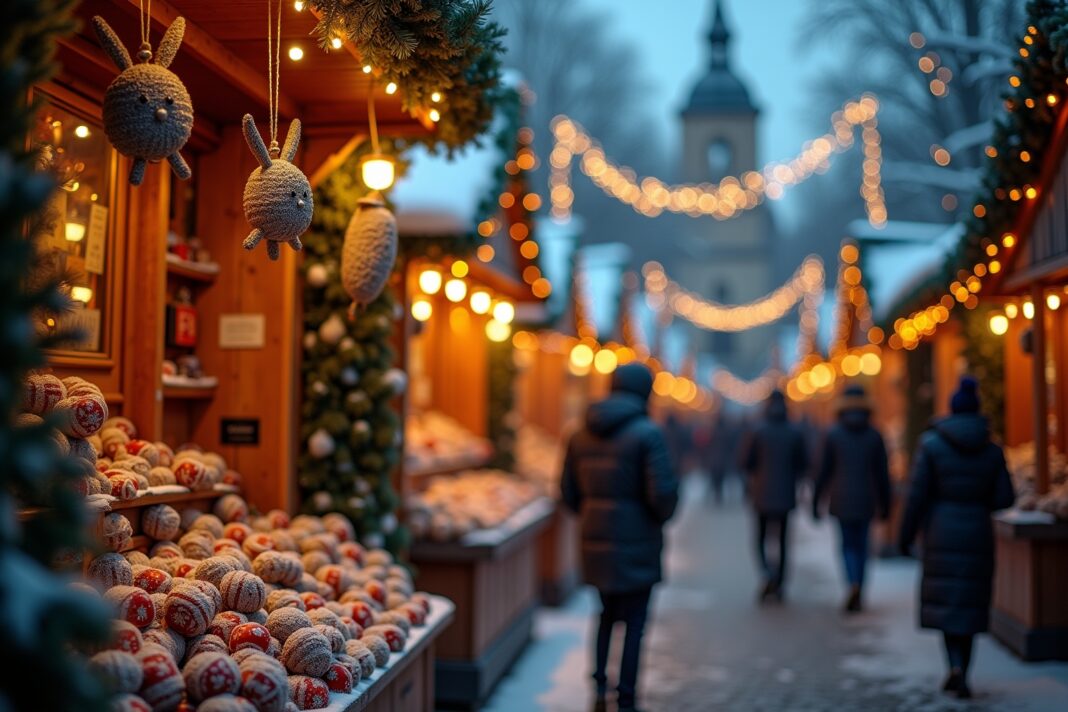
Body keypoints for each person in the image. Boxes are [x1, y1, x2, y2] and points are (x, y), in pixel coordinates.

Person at [561, 363, 680, 712]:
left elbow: (567, 493)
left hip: (595, 543)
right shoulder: (648, 434)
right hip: (638, 543)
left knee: (605, 614)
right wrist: (661, 513)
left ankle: (598, 687)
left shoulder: (579, 433)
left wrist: (594, 515)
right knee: (634, 624)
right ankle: (625, 699)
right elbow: (663, 495)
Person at [898, 376, 1015, 699]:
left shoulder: (932, 446)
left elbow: (917, 495)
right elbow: (1005, 497)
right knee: (970, 603)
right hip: (977, 531)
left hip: (941, 530)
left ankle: (953, 665)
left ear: (951, 409)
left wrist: (905, 536)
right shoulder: (992, 450)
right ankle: (965, 668)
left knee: (948, 602)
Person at [813, 384, 890, 613]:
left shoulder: (833, 434)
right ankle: (859, 586)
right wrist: (886, 504)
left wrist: (817, 500)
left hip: (841, 498)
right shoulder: (875, 435)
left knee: (847, 545)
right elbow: (882, 474)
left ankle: (852, 583)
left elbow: (823, 471)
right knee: (863, 545)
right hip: (866, 499)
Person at [741, 389, 808, 602]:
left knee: (760, 538)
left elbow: (745, 462)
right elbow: (803, 463)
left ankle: (767, 572)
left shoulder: (758, 431)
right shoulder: (794, 432)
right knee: (783, 540)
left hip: (761, 493)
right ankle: (779, 582)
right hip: (786, 493)